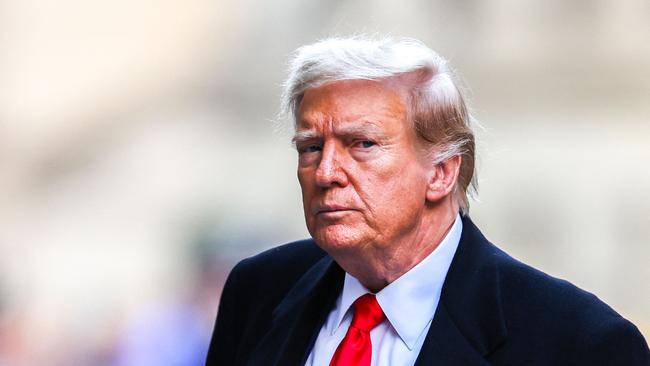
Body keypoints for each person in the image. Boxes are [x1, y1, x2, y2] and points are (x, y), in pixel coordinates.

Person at [205, 36, 649, 365]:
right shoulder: (259, 291)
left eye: (361, 144)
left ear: (441, 172)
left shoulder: (580, 343)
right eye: (311, 147)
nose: (325, 173)